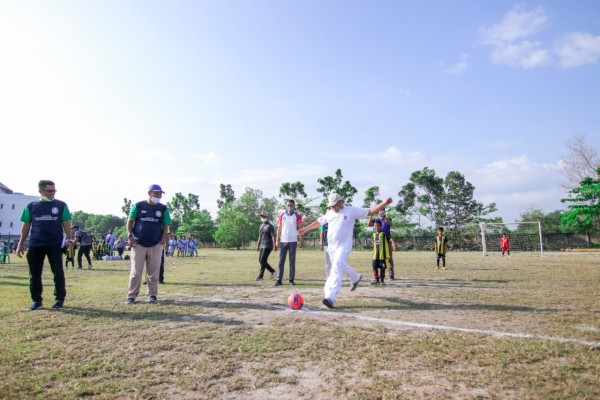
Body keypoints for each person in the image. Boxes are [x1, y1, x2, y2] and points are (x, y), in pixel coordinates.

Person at [298, 193, 393, 309]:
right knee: (340, 266)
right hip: (331, 249)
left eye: (334, 204)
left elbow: (370, 211)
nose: (332, 207)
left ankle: (330, 297)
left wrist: (384, 203)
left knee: (336, 269)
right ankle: (355, 277)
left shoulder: (351, 211)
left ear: (340, 202)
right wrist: (305, 230)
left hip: (343, 247)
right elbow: (319, 221)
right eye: (331, 205)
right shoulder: (330, 213)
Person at [16, 180, 73, 310]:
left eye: (54, 191)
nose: (52, 193)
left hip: (55, 244)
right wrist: (20, 244)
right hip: (36, 244)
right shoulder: (31, 206)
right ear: (40, 191)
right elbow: (26, 226)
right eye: (49, 191)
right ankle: (37, 301)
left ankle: (59, 299)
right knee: (34, 274)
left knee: (58, 272)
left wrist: (70, 239)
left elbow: (66, 224)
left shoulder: (61, 205)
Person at [125, 184, 172, 304]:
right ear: (149, 193)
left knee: (153, 271)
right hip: (138, 243)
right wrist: (130, 237)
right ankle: (131, 295)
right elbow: (129, 222)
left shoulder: (163, 209)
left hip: (156, 244)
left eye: (160, 194)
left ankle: (152, 294)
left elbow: (166, 225)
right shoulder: (138, 206)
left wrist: (163, 239)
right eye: (156, 193)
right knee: (136, 271)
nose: (159, 196)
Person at [275, 199, 302, 286]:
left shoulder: (297, 215)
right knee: (281, 261)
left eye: (291, 205)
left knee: (292, 261)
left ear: (294, 206)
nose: (289, 206)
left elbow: (300, 228)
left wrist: (301, 240)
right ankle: (279, 280)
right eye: (288, 205)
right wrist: (277, 239)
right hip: (283, 241)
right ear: (286, 206)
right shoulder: (282, 215)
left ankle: (291, 280)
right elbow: (279, 228)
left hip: (293, 241)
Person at [367, 209, 397, 279]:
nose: (381, 212)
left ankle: (391, 274)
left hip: (387, 239)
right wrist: (371, 215)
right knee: (377, 257)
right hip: (378, 240)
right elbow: (369, 224)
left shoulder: (387, 218)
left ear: (384, 211)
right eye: (380, 210)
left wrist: (384, 216)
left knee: (389, 257)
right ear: (377, 211)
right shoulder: (376, 220)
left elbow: (390, 223)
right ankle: (377, 275)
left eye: (382, 210)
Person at [256, 211, 277, 281]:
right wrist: (258, 245)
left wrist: (274, 245)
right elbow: (260, 236)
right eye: (261, 216)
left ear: (267, 217)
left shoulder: (270, 226)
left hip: (268, 245)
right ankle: (272, 271)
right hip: (262, 245)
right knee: (261, 260)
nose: (262, 218)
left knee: (263, 260)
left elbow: (273, 235)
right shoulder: (261, 226)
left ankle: (261, 276)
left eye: (264, 216)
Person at [369, 219, 390, 286]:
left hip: (382, 256)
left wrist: (387, 255)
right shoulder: (374, 235)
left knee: (382, 268)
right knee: (374, 267)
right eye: (375, 226)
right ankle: (376, 280)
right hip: (375, 255)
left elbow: (388, 242)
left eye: (378, 226)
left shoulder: (383, 234)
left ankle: (382, 281)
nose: (376, 227)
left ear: (381, 226)